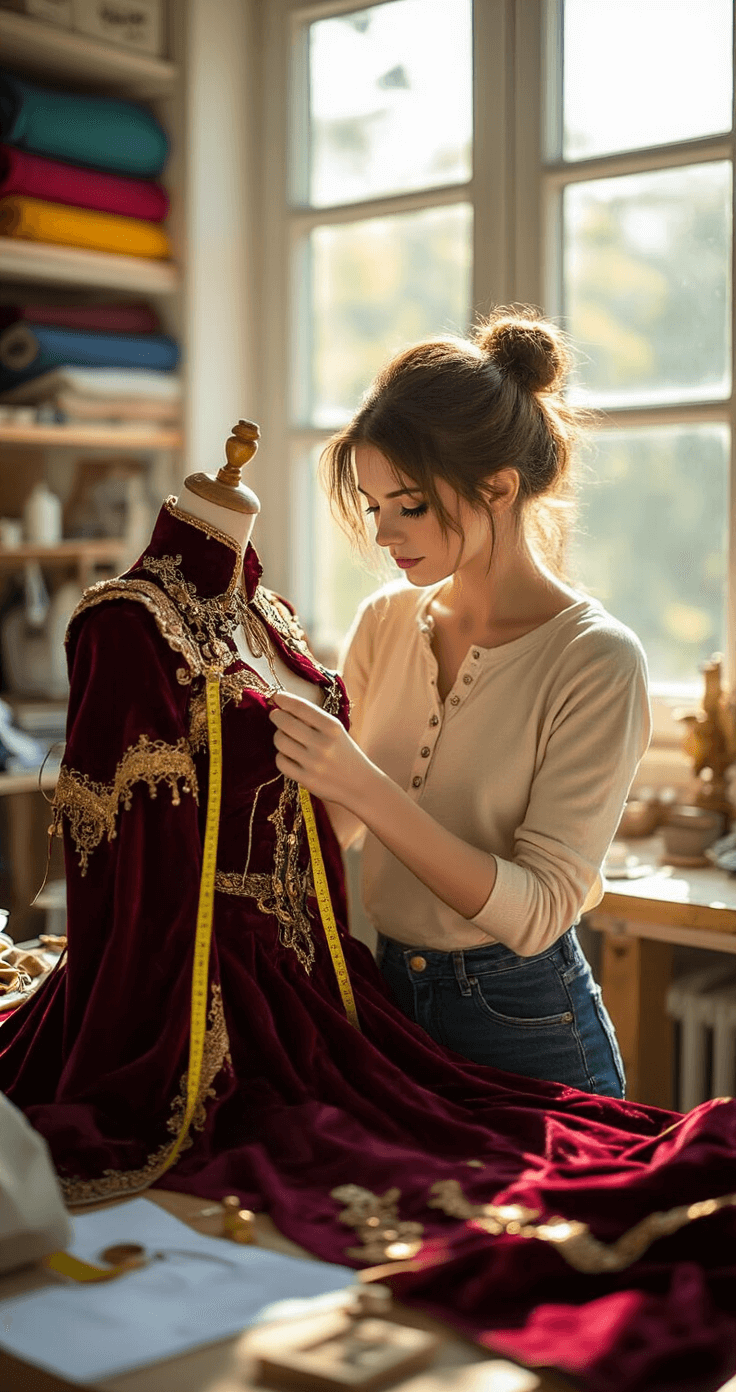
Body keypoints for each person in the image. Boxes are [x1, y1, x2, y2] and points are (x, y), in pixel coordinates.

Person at [268, 307, 651, 1097]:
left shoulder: (595, 659)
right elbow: (332, 830)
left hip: (527, 1025)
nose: (384, 534)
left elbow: (538, 911)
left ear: (498, 487)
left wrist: (361, 782)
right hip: (387, 996)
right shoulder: (384, 622)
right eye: (376, 508)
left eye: (407, 505)